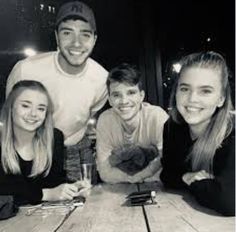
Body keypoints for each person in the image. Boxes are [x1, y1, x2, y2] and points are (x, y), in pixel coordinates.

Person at [6, 1, 108, 181]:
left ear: (94, 39)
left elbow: (88, 112)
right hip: (31, 148)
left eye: (85, 34)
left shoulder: (102, 79)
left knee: (86, 203)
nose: (76, 43)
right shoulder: (26, 69)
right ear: (56, 36)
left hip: (75, 149)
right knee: (25, 203)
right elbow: (10, 116)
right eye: (67, 32)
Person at [160, 51, 235, 216]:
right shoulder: (172, 127)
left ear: (221, 98)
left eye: (205, 91)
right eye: (185, 88)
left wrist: (190, 182)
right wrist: (189, 177)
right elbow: (167, 175)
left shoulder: (232, 133)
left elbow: (229, 201)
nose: (192, 98)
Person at [0, 80, 88, 205]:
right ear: (10, 107)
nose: (34, 114)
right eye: (25, 106)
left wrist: (71, 188)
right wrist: (44, 194)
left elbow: (53, 182)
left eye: (41, 109)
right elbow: (5, 191)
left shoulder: (54, 138)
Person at [96, 63, 168, 183]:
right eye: (116, 95)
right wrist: (133, 179)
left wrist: (139, 176)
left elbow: (168, 162)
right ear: (109, 100)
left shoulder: (156, 116)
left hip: (159, 187)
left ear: (141, 96)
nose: (124, 101)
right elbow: (104, 172)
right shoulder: (105, 120)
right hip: (123, 187)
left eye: (131, 93)